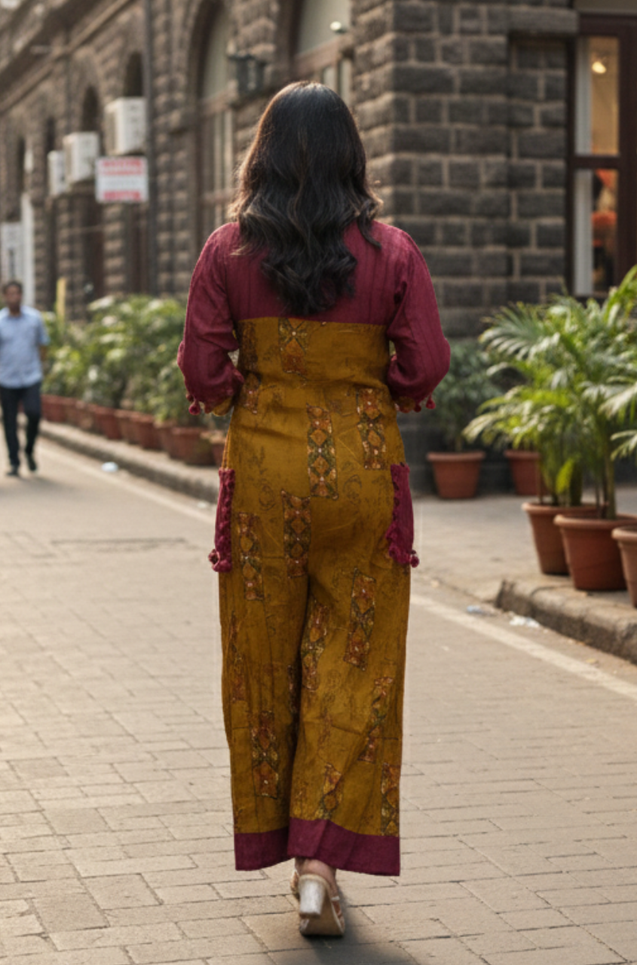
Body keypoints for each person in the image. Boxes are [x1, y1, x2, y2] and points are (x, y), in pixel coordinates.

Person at [178, 82, 450, 937]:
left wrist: (247, 391)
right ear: (350, 155)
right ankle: (320, 863)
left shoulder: (226, 251)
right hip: (363, 475)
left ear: (260, 154)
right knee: (355, 664)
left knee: (265, 661)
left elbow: (202, 370)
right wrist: (375, 388)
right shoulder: (392, 251)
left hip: (261, 474)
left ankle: (288, 849)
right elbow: (423, 364)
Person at [0, 280, 49, 476]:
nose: (14, 297)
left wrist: (43, 367)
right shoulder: (0, 322)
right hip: (6, 379)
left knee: (34, 413)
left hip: (31, 376)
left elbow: (43, 344)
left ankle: (29, 450)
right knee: (10, 422)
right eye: (10, 294)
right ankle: (14, 462)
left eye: (17, 293)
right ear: (5, 297)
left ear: (21, 295)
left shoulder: (34, 319)